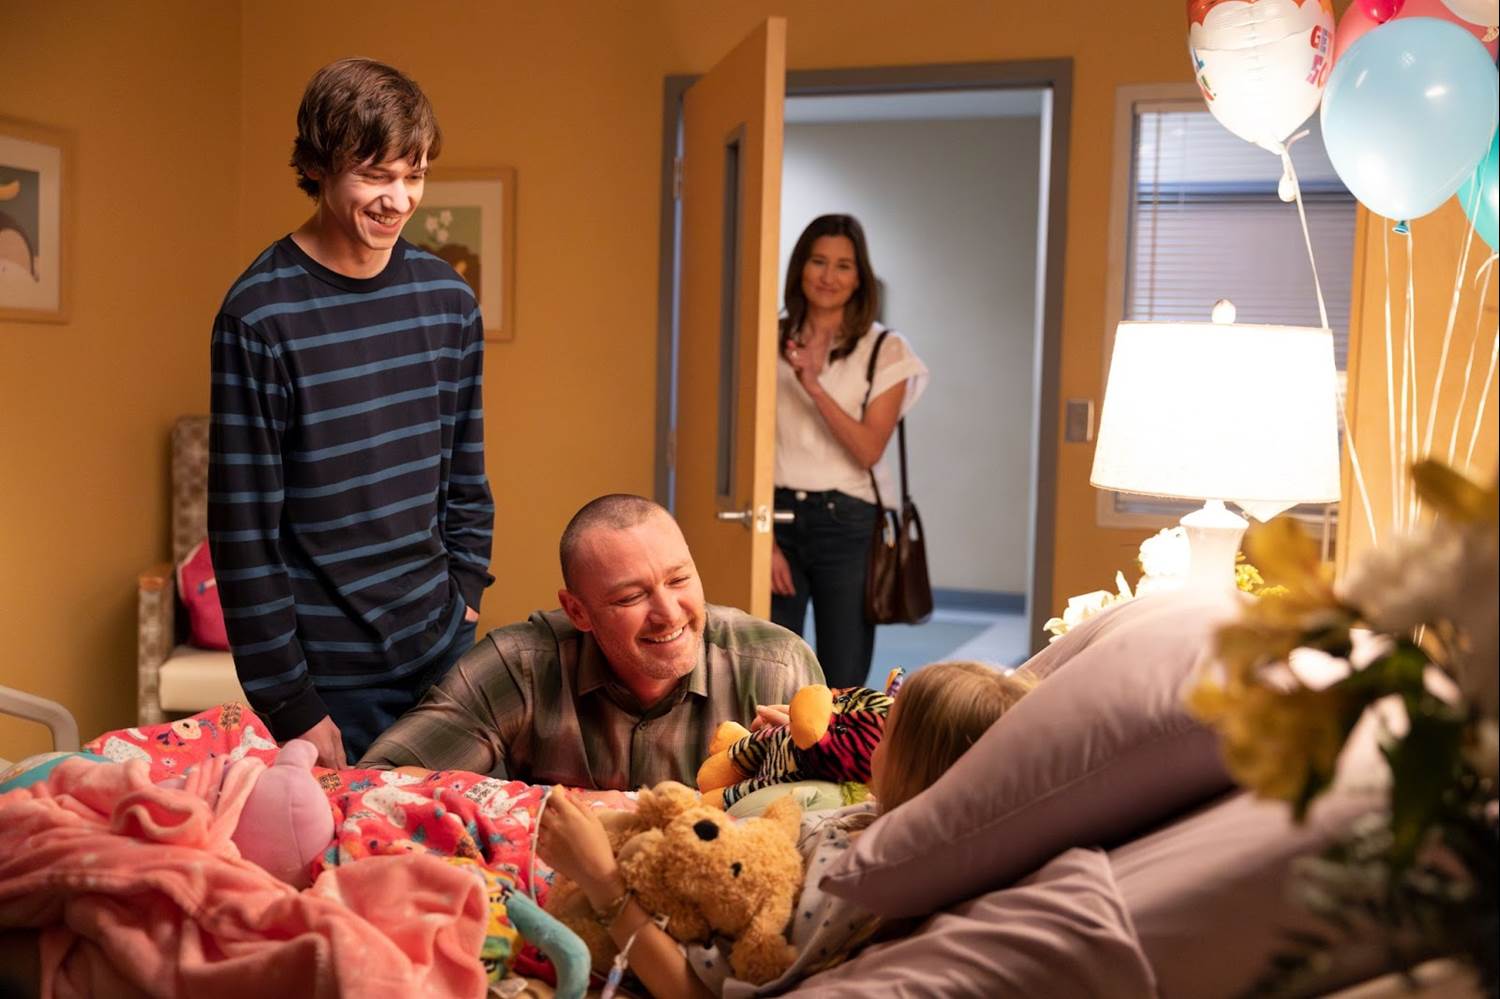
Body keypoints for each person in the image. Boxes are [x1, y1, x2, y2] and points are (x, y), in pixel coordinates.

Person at [209, 58, 493, 770]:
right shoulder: (258, 316)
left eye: (414, 175)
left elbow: (465, 470)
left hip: (445, 653)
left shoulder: (449, 301)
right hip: (327, 684)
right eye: (375, 175)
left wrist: (467, 590)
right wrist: (291, 702)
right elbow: (243, 534)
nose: (399, 199)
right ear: (318, 166)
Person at [536, 660, 1033, 998]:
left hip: (640, 933)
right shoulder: (873, 815)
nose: (869, 735)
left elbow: (696, 988)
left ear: (912, 766)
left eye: (887, 730)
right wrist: (794, 751)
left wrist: (602, 881)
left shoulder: (856, 883)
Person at [359, 494, 825, 789]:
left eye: (679, 579)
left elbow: (837, 820)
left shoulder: (776, 665)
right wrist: (554, 809)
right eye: (631, 597)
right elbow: (374, 783)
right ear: (577, 611)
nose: (668, 613)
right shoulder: (521, 666)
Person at [770, 214, 929, 690]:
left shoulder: (885, 349)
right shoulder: (768, 336)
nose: (828, 276)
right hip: (774, 516)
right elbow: (749, 444)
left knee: (842, 677)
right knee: (770, 669)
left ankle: (838, 746)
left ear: (860, 277)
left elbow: (868, 449)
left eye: (843, 265)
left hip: (848, 523)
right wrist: (764, 541)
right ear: (800, 267)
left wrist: (813, 386)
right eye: (818, 261)